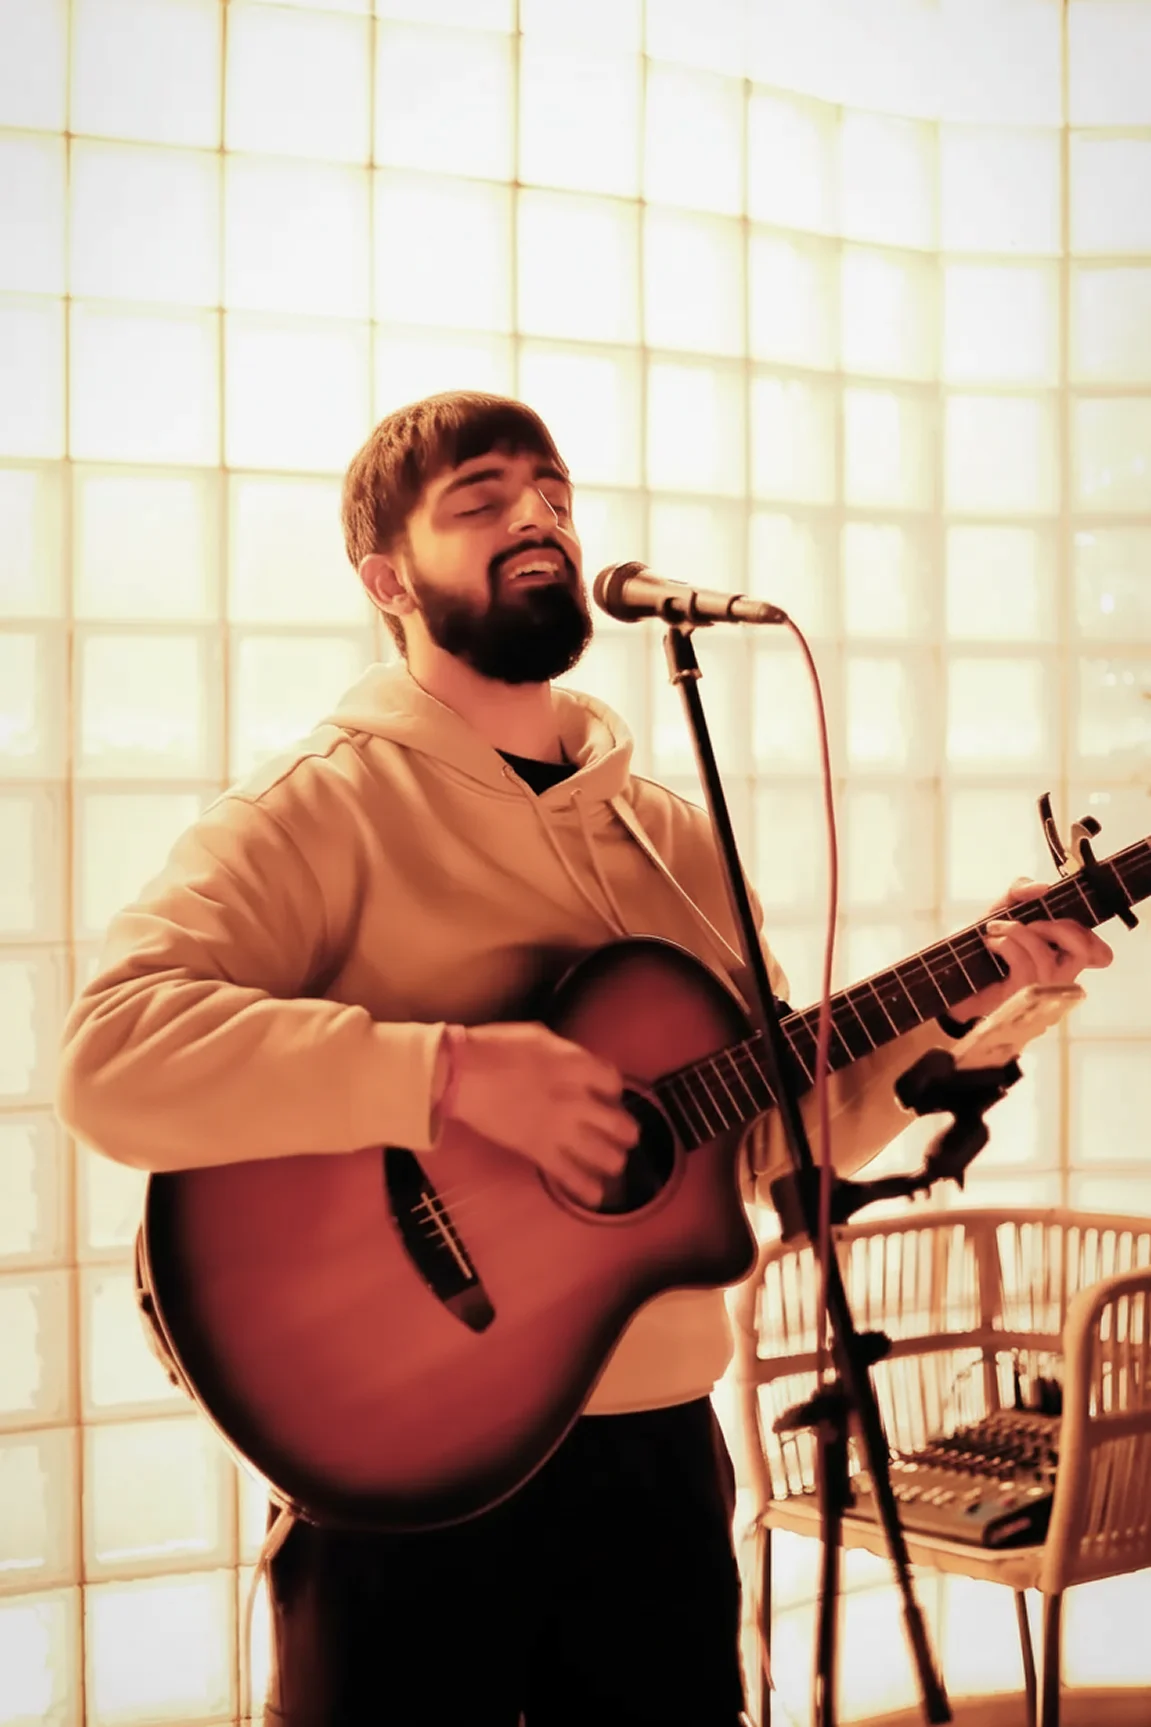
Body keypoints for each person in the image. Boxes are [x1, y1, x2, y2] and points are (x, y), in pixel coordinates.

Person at [56, 391, 1113, 1727]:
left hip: (652, 1458)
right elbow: (111, 1053)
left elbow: (792, 1133)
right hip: (397, 1456)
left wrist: (970, 994)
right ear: (386, 578)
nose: (535, 518)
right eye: (480, 502)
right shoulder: (323, 806)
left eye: (549, 492)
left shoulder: (668, 836)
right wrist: (448, 1071)